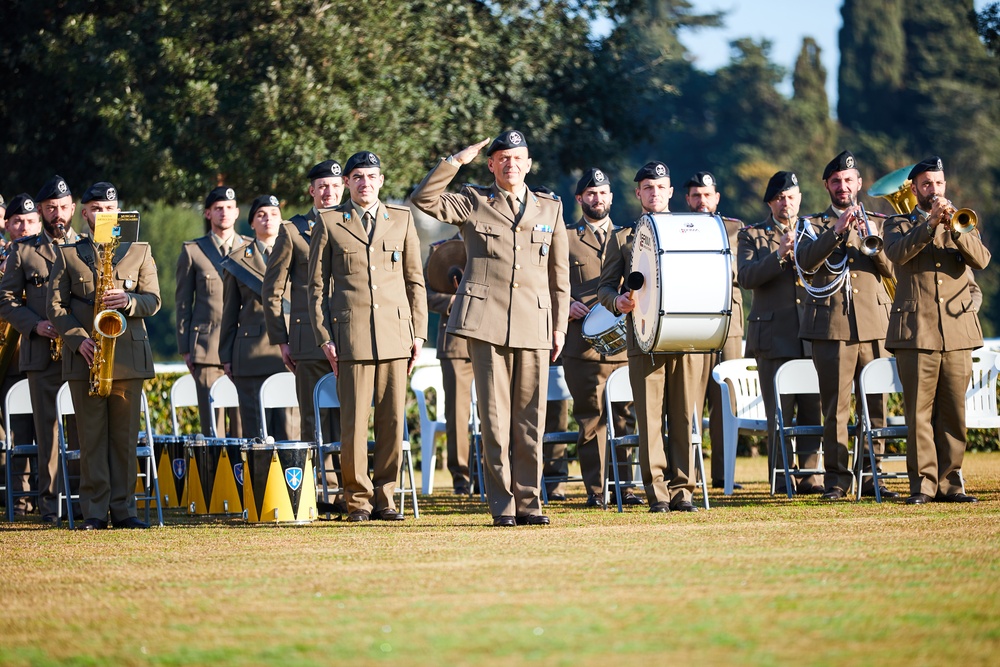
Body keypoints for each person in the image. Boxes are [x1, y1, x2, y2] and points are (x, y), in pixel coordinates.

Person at [411, 131, 570, 526]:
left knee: (530, 419)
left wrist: (559, 326)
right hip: (486, 323)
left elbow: (559, 274)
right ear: (492, 164)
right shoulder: (473, 200)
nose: (510, 164)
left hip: (534, 323)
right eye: (502, 158)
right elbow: (424, 199)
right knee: (496, 421)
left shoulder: (549, 208)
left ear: (529, 164)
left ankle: (530, 502)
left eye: (518, 158)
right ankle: (503, 505)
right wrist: (455, 160)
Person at [308, 151, 427, 522]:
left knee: (392, 420)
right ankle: (357, 499)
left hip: (395, 334)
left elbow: (415, 281)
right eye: (357, 176)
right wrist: (324, 335)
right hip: (352, 336)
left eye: (371, 176)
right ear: (347, 182)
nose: (365, 183)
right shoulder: (331, 222)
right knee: (354, 423)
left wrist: (418, 333)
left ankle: (385, 497)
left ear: (381, 180)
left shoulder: (402, 220)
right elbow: (314, 287)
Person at [48, 182, 160, 530]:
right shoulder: (68, 252)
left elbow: (153, 300)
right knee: (92, 438)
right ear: (85, 214)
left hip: (127, 357)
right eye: (96, 208)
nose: (103, 214)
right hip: (86, 356)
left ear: (119, 213)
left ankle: (124, 510)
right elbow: (55, 306)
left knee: (125, 440)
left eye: (109, 209)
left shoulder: (139, 250)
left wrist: (128, 302)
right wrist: (78, 340)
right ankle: (95, 511)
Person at [597, 161, 703, 513]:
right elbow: (604, 289)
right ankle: (657, 493)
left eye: (660, 187)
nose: (654, 192)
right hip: (643, 339)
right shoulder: (623, 238)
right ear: (638, 193)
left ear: (671, 191)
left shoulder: (691, 230)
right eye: (647, 187)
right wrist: (619, 301)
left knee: (684, 418)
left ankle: (683, 491)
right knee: (650, 419)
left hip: (685, 335)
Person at [883, 156, 990, 504]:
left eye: (939, 184)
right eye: (928, 184)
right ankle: (923, 486)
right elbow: (897, 255)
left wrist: (955, 230)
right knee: (919, 414)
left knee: (954, 413)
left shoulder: (963, 222)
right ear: (914, 189)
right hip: (917, 332)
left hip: (958, 332)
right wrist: (928, 226)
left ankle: (951, 485)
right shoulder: (897, 224)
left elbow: (982, 260)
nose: (935, 190)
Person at [795, 150, 897, 500]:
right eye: (836, 181)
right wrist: (837, 232)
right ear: (826, 185)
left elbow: (893, 270)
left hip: (873, 325)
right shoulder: (810, 224)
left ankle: (872, 475)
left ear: (860, 183)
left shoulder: (881, 222)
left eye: (848, 180)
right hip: (831, 327)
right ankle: (838, 478)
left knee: (877, 407)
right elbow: (806, 262)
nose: (843, 186)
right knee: (835, 408)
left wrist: (871, 240)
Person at [0, 178, 83, 524]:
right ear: (43, 210)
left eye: (63, 207)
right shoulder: (24, 251)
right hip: (40, 350)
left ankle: (82, 501)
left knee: (82, 429)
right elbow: (4, 300)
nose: (57, 214)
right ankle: (50, 506)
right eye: (50, 208)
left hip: (82, 351)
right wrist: (34, 325)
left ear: (72, 208)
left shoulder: (88, 246)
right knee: (46, 430)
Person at [736, 171, 822, 494]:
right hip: (773, 337)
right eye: (780, 197)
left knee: (812, 408)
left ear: (799, 197)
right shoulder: (752, 235)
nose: (786, 202)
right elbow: (746, 276)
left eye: (791, 195)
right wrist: (778, 254)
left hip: (811, 332)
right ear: (770, 202)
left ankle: (812, 475)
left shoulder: (814, 230)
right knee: (780, 413)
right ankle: (781, 475)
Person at [263, 161, 344, 493]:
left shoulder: (353, 224)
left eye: (335, 186)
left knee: (346, 421)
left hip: (350, 338)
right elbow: (272, 290)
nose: (329, 192)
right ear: (312, 191)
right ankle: (315, 491)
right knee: (313, 420)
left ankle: (347, 492)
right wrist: (281, 339)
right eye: (322, 186)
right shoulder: (293, 230)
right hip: (308, 340)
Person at [563, 167, 637, 508]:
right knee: (591, 417)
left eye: (604, 193)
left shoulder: (629, 237)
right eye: (591, 193)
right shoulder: (563, 237)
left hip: (623, 343)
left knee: (624, 415)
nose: (598, 199)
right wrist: (565, 304)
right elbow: (548, 282)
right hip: (581, 345)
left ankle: (626, 486)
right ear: (580, 199)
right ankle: (597, 491)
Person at [684, 171, 747, 490]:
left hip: (729, 326)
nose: (701, 201)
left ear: (717, 197)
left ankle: (725, 476)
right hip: (692, 326)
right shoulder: (679, 229)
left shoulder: (736, 229)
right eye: (695, 195)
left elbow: (743, 272)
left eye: (707, 195)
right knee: (691, 404)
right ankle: (692, 476)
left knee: (727, 405)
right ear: (687, 200)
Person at [219, 195, 297, 441]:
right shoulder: (237, 260)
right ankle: (257, 480)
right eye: (261, 214)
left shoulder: (298, 253)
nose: (268, 219)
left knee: (289, 431)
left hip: (290, 351)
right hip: (251, 354)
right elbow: (229, 313)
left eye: (274, 214)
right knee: (256, 434)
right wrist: (226, 356)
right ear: (251, 223)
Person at [175, 186, 249, 436]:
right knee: (212, 430)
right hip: (207, 348)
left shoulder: (250, 249)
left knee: (243, 428)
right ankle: (211, 476)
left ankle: (245, 476)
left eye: (229, 208)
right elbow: (183, 303)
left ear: (237, 212)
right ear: (208, 213)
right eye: (218, 209)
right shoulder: (193, 251)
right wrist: (185, 348)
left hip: (243, 346)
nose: (224, 213)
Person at [423, 234, 475, 495]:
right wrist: (451, 301)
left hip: (492, 336)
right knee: (457, 415)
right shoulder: (438, 248)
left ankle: (491, 475)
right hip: (455, 344)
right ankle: (461, 478)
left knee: (497, 412)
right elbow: (422, 293)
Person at [0, 194, 40, 517]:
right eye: (16, 221)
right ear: (8, 224)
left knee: (41, 431)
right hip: (9, 358)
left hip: (39, 353)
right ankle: (20, 500)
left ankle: (45, 497)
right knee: (17, 435)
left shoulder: (44, 250)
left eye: (28, 220)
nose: (22, 227)